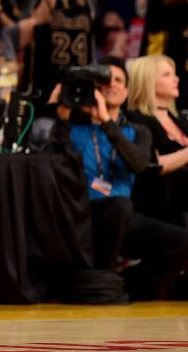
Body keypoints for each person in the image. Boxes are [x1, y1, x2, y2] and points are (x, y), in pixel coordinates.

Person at [48, 57, 188, 299]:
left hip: (123, 218)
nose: (111, 85)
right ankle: (100, 283)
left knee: (181, 242)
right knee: (119, 207)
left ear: (126, 92)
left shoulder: (138, 130)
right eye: (104, 81)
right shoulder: (71, 126)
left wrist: (107, 123)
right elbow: (50, 161)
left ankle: (122, 285)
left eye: (119, 80)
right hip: (79, 217)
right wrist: (58, 114)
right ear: (93, 88)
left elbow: (140, 163)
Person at [126, 55, 188, 227]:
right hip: (161, 206)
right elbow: (151, 166)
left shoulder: (180, 119)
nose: (176, 78)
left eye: (174, 73)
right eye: (167, 75)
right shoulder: (136, 119)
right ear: (148, 81)